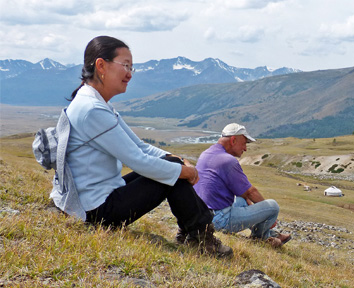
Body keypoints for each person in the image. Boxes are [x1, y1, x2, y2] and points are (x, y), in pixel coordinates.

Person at [60, 36, 231, 258]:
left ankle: (194, 232)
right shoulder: (92, 109)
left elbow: (139, 146)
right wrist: (183, 171)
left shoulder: (96, 103)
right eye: (125, 66)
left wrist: (177, 159)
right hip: (96, 210)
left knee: (171, 166)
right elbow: (138, 160)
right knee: (171, 173)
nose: (130, 74)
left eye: (132, 67)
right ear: (101, 65)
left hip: (94, 198)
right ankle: (201, 238)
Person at [194, 123, 291, 247]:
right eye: (244, 143)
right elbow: (251, 191)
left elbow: (244, 193)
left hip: (203, 214)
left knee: (242, 200)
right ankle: (261, 238)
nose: (245, 148)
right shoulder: (227, 160)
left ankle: (271, 234)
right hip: (218, 220)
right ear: (233, 140)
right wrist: (270, 217)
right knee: (272, 206)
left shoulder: (207, 153)